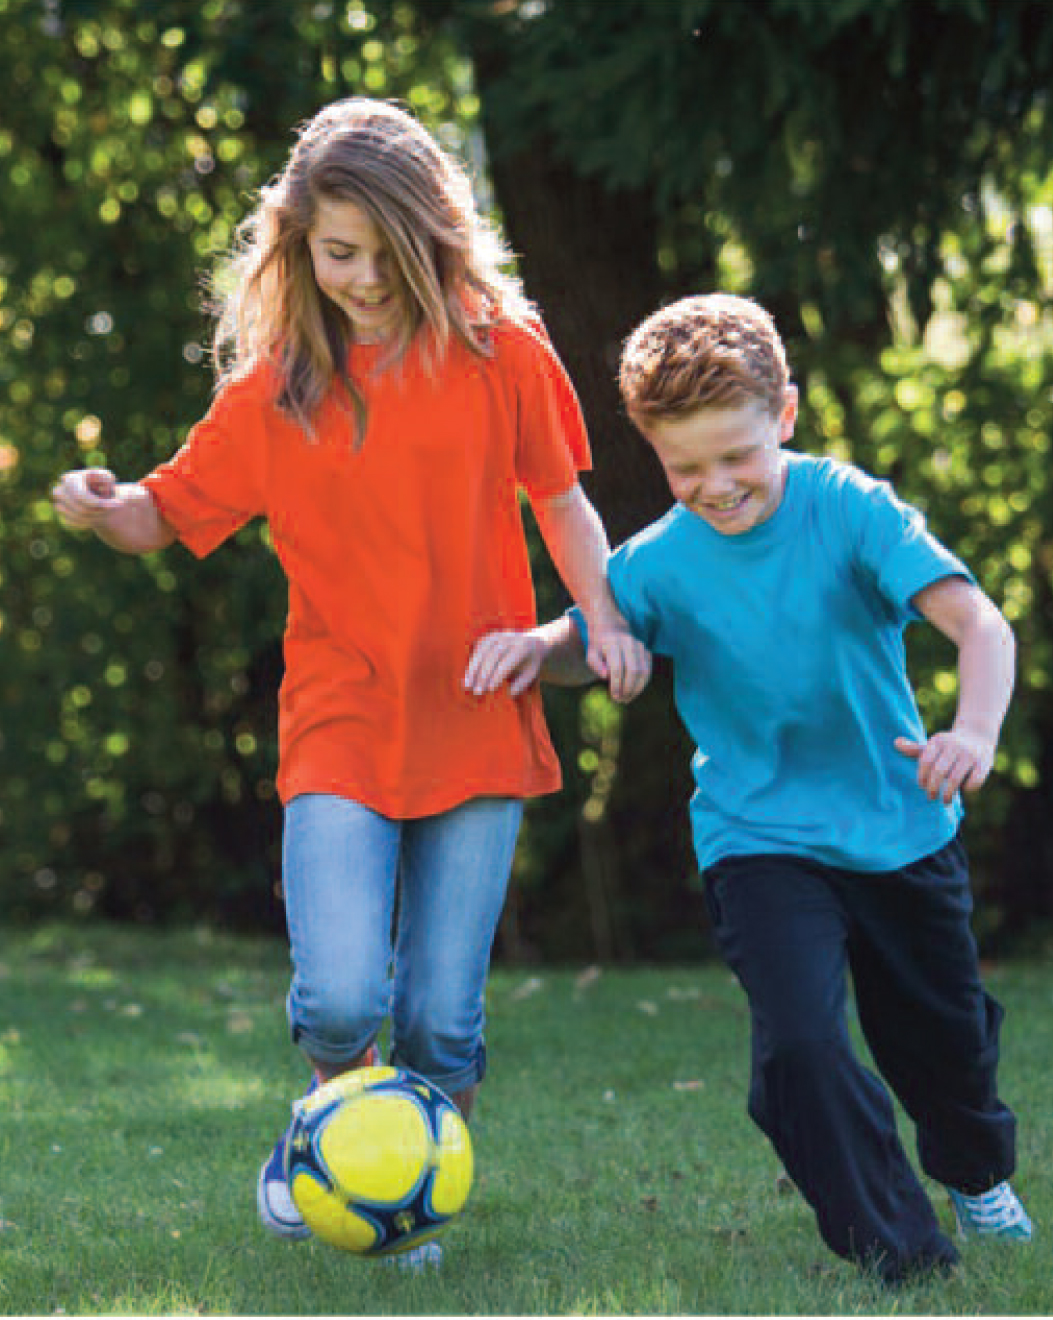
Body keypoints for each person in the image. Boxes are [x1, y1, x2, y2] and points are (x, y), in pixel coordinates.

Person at [51, 97, 647, 1267]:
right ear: (298, 245)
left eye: (387, 251)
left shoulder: (500, 349)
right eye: (338, 253)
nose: (364, 278)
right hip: (340, 716)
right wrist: (107, 507)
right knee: (335, 1000)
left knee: (440, 1018)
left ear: (435, 232)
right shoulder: (277, 386)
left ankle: (408, 1202)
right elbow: (165, 513)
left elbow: (563, 501)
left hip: (477, 713)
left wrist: (604, 619)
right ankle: (331, 1139)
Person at [465, 293, 1032, 1283]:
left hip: (899, 823)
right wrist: (550, 646)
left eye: (737, 458)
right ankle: (905, 1258)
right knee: (803, 1043)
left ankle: (974, 1170)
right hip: (757, 838)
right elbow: (588, 639)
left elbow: (981, 626)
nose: (716, 487)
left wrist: (973, 732)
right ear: (652, 452)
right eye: (685, 469)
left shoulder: (847, 507)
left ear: (787, 416)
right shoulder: (660, 561)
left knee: (945, 1050)